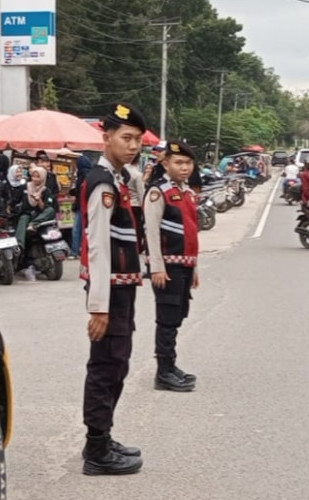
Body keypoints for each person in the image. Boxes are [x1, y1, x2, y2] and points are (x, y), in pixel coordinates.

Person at [79, 102, 146, 476]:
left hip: (123, 288)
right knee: (106, 367)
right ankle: (96, 450)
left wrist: (131, 174)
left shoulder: (119, 178)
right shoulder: (102, 184)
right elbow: (99, 246)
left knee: (117, 363)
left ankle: (103, 437)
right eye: (125, 138)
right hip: (110, 292)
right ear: (106, 138)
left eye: (137, 139)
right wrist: (98, 306)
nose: (133, 145)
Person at [143, 141, 199, 392]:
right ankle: (163, 372)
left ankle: (171, 365)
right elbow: (151, 231)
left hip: (184, 266)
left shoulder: (187, 192)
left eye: (188, 163)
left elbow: (191, 233)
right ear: (165, 164)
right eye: (178, 162)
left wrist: (194, 268)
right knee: (166, 318)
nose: (184, 167)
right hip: (167, 267)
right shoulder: (159, 192)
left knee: (177, 316)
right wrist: (156, 266)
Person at [14, 165, 58, 280]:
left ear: (43, 178)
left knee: (51, 210)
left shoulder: (46, 191)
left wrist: (39, 201)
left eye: (38, 177)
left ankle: (33, 224)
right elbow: (14, 201)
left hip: (39, 219)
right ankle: (20, 246)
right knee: (23, 217)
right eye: (33, 176)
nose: (35, 179)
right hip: (27, 215)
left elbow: (46, 209)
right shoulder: (25, 187)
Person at [69, 155, 93, 259]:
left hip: (82, 206)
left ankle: (75, 251)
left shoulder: (83, 176)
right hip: (87, 206)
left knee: (77, 229)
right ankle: (82, 250)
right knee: (83, 229)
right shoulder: (90, 174)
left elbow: (81, 192)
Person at [124, 153, 146, 250]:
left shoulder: (122, 171)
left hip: (125, 202)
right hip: (136, 204)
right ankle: (137, 246)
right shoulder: (137, 175)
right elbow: (141, 193)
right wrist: (144, 206)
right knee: (137, 226)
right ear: (138, 160)